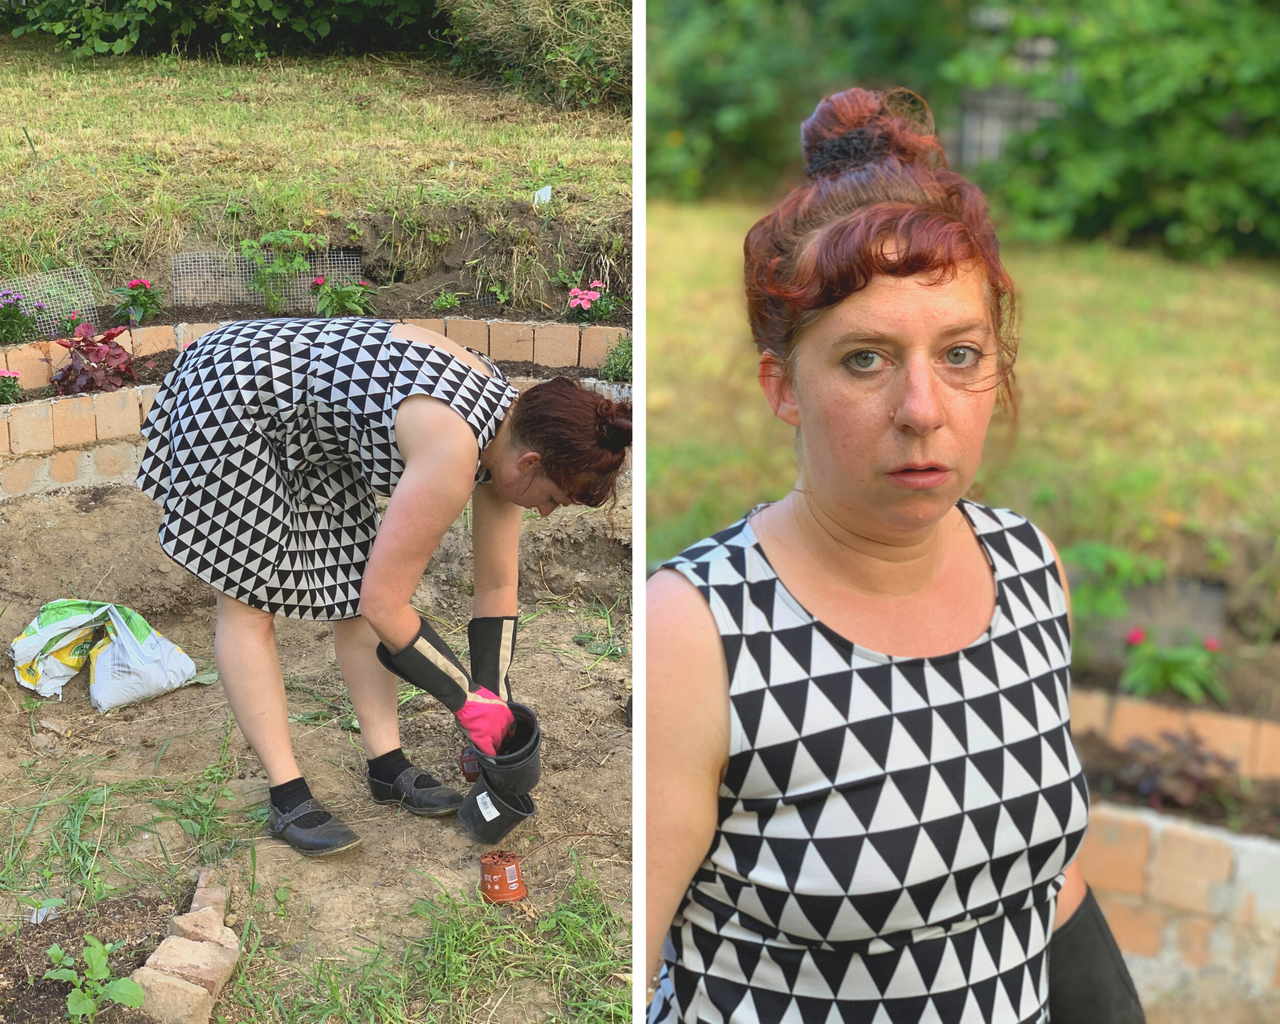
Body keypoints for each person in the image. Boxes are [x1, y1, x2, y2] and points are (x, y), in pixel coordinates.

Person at [648, 89, 1142, 1024]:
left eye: (960, 354)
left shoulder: (1030, 569)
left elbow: (1039, 870)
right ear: (783, 384)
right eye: (867, 360)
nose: (923, 408)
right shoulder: (698, 631)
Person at [137, 315, 631, 857]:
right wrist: (468, 705)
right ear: (532, 462)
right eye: (552, 498)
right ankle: (287, 793)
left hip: (316, 424)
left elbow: (494, 587)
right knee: (250, 604)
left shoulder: (509, 435)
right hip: (232, 396)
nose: (543, 510)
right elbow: (386, 604)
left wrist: (495, 702)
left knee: (350, 592)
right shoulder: (453, 446)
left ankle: (387, 766)